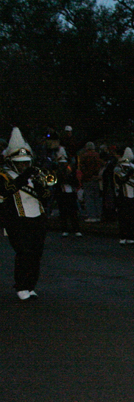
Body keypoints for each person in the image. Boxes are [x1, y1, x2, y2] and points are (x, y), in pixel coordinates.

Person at [0, 128, 50, 300]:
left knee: (36, 254)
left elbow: (45, 198)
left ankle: (30, 286)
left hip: (37, 218)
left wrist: (41, 186)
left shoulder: (32, 176)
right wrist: (25, 176)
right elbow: (7, 191)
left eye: (26, 162)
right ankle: (21, 286)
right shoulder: (4, 175)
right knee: (24, 253)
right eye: (21, 163)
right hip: (17, 220)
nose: (24, 165)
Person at [114, 147, 134, 245]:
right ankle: (123, 236)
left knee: (131, 218)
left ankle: (130, 236)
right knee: (123, 218)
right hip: (123, 196)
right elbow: (119, 182)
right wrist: (129, 175)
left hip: (133, 196)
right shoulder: (118, 170)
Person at [53, 146, 82, 237]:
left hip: (71, 194)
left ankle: (76, 229)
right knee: (63, 213)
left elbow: (76, 183)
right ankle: (65, 229)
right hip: (62, 194)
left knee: (73, 213)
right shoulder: (57, 173)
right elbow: (55, 184)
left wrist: (69, 178)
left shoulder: (71, 172)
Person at [77, 141, 102, 222]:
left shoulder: (84, 156)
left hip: (88, 179)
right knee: (97, 198)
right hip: (96, 179)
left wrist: (87, 175)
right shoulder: (97, 156)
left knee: (89, 198)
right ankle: (99, 215)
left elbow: (82, 168)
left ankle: (92, 216)